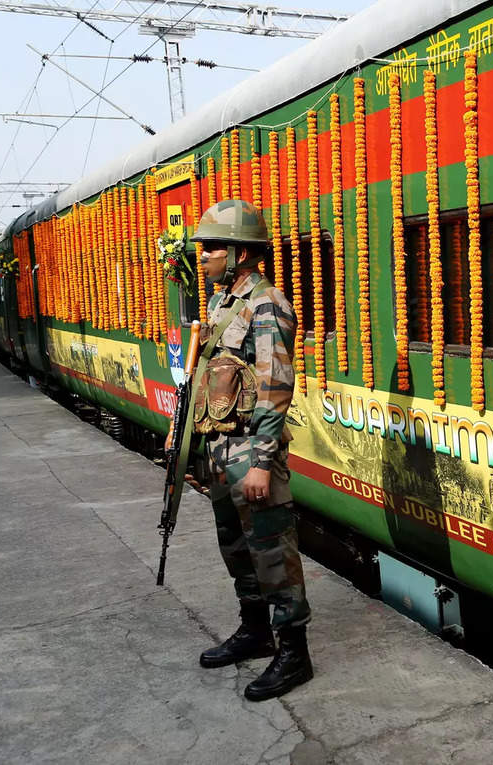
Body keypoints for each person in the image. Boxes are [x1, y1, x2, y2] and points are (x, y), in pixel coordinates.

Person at [190, 200, 312, 702]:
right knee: (237, 549)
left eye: (213, 248)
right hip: (222, 449)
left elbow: (273, 387)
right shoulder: (223, 303)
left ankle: (293, 653)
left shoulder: (267, 305)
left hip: (251, 451)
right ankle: (254, 631)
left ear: (239, 253)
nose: (204, 257)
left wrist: (262, 461)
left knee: (272, 554)